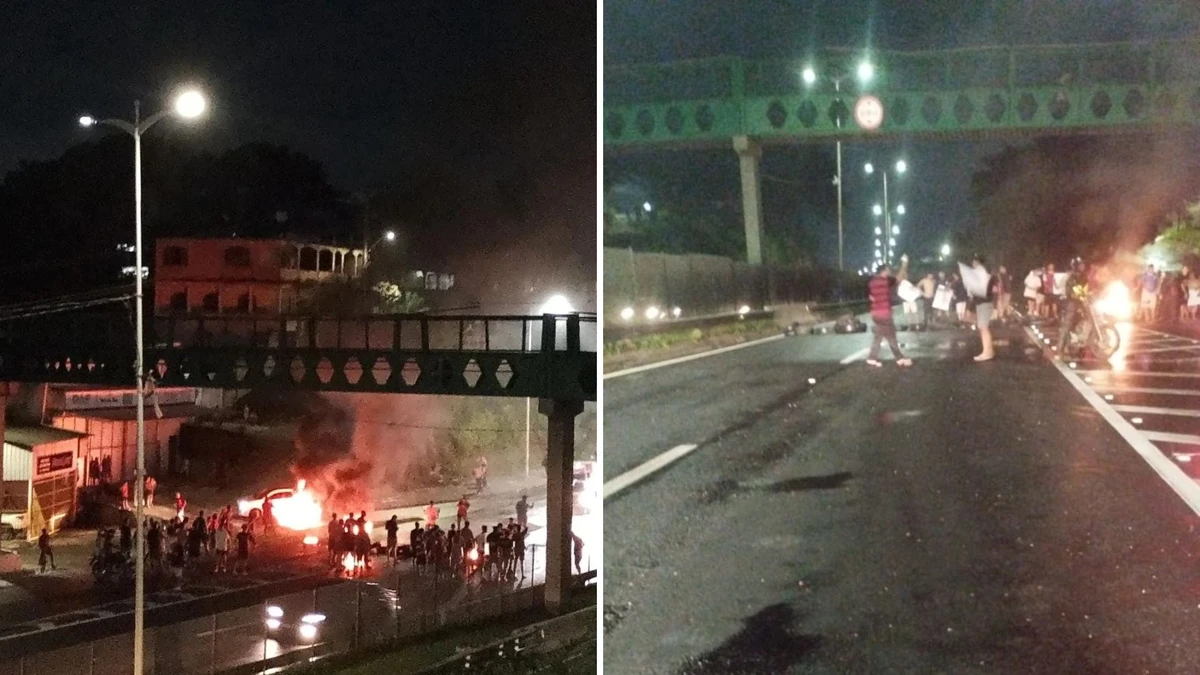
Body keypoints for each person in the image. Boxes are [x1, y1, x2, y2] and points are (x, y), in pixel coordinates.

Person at [865, 255, 913, 368]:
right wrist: (904, 264)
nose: (890, 272)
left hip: (875, 313)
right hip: (884, 314)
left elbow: (871, 297)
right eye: (888, 270)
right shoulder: (886, 281)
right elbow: (900, 277)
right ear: (884, 271)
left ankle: (874, 358)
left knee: (881, 336)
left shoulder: (872, 282)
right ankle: (899, 358)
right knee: (890, 336)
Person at [1056, 257, 1090, 358]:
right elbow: (1073, 291)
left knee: (1079, 322)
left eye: (1083, 264)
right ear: (1076, 266)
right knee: (1067, 324)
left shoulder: (1081, 276)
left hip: (1078, 302)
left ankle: (1075, 344)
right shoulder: (1073, 277)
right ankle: (1060, 347)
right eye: (1080, 264)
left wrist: (1087, 294)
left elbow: (1083, 289)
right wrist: (1081, 295)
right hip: (1072, 303)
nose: (1082, 266)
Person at [968, 255, 997, 362]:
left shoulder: (986, 277)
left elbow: (991, 291)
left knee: (983, 327)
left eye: (975, 264)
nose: (973, 266)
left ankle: (988, 352)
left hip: (985, 303)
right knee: (982, 327)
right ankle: (988, 351)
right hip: (981, 303)